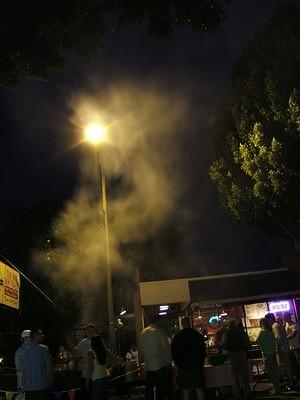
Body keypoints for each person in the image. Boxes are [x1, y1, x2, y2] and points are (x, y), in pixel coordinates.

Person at [171, 316, 206, 400]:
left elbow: (174, 352)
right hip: (197, 366)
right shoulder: (197, 335)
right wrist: (201, 361)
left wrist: (178, 364)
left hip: (184, 367)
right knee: (199, 389)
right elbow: (203, 350)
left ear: (182, 324)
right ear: (190, 324)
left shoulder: (178, 337)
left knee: (185, 390)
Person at [140, 315, 173, 400]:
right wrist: (169, 362)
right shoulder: (159, 332)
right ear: (158, 321)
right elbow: (166, 349)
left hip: (149, 366)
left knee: (150, 389)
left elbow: (142, 348)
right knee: (160, 390)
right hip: (160, 365)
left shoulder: (143, 333)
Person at [221, 319, 251, 399]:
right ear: (235, 324)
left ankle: (237, 394)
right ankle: (247, 392)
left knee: (235, 376)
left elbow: (223, 344)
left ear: (229, 325)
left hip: (232, 355)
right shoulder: (241, 331)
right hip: (242, 353)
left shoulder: (227, 332)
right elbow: (247, 342)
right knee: (244, 375)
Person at [23, 329, 53, 400]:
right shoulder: (44, 349)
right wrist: (51, 379)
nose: (43, 335)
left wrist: (23, 385)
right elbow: (48, 366)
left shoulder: (24, 350)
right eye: (41, 334)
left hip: (29, 387)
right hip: (42, 386)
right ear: (36, 336)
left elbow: (24, 370)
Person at [265, 313, 293, 388]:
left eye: (267, 320)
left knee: (285, 367)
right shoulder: (277, 325)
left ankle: (290, 384)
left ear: (270, 319)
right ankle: (290, 383)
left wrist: (277, 348)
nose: (267, 322)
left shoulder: (274, 326)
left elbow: (278, 338)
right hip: (285, 348)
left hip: (282, 349)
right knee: (286, 366)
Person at [256, 318, 280, 395]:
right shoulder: (270, 332)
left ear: (262, 324)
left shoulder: (262, 333)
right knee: (275, 371)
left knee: (270, 372)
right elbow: (274, 341)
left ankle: (276, 389)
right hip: (273, 353)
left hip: (267, 354)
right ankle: (277, 388)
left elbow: (257, 341)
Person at [87, 335, 114, 400]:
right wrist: (110, 368)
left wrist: (88, 379)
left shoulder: (91, 352)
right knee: (105, 397)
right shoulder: (104, 350)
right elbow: (113, 357)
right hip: (105, 377)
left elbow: (90, 368)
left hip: (97, 378)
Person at [76, 323, 97, 399]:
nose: (90, 332)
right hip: (85, 374)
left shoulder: (99, 341)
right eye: (88, 331)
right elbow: (77, 354)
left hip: (97, 374)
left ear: (95, 331)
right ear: (86, 332)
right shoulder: (82, 343)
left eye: (92, 331)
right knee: (86, 396)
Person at [284, 314, 300, 380]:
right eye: (285, 317)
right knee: (294, 365)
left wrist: (285, 338)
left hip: (296, 348)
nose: (285, 318)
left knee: (298, 363)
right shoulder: (286, 325)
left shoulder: (294, 324)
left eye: (286, 317)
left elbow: (294, 334)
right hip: (290, 349)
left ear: (289, 317)